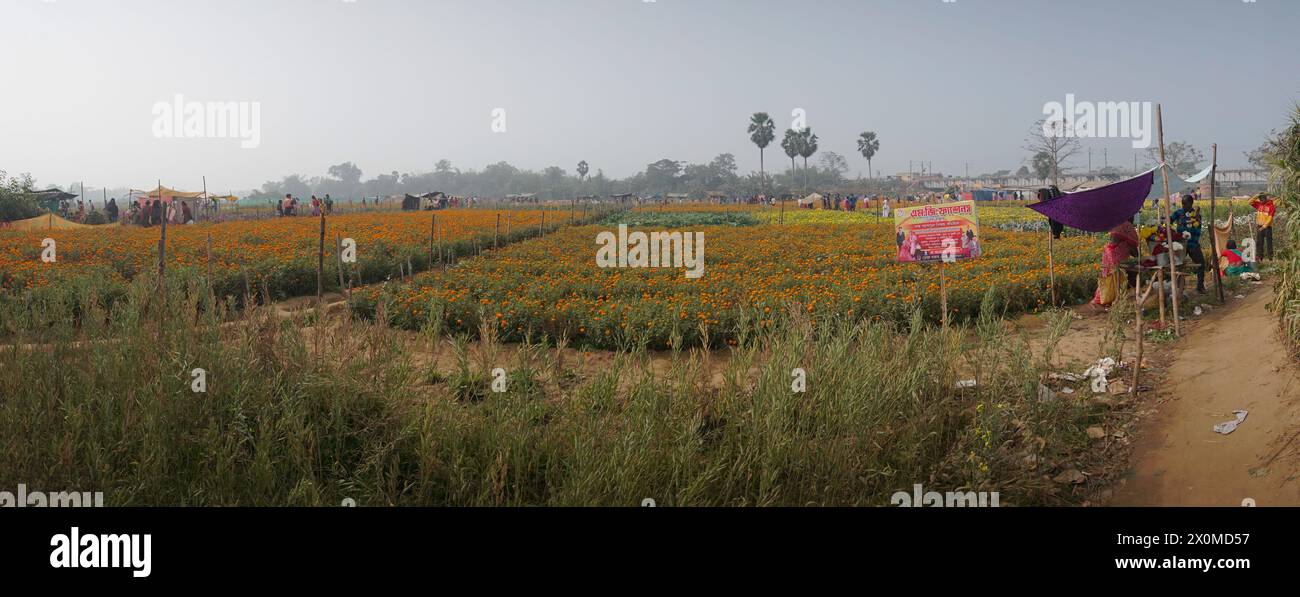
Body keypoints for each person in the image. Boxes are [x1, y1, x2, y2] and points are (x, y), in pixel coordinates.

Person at [1091, 221, 1140, 308]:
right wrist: (1139, 260)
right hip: (1115, 254)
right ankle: (1113, 298)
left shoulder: (1117, 224)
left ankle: (1106, 298)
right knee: (1115, 277)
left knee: (1109, 277)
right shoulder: (1127, 226)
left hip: (1109, 251)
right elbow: (1134, 249)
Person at [1171, 195, 1207, 293]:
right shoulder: (1178, 213)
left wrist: (1196, 217)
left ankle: (1200, 286)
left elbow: (1198, 226)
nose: (1183, 205)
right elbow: (1168, 221)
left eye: (1185, 203)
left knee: (1201, 264)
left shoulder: (1196, 215)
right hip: (1181, 245)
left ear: (1191, 203)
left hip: (1193, 244)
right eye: (1182, 203)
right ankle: (1179, 289)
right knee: (1179, 266)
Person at [1251, 193, 1276, 261]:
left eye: (1262, 199)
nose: (1261, 200)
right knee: (1259, 243)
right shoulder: (1259, 204)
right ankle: (1260, 258)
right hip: (1259, 226)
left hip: (1267, 228)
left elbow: (1270, 218)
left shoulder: (1271, 206)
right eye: (1260, 199)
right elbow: (1250, 202)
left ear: (1266, 199)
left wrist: (1263, 227)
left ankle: (1270, 258)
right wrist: (1256, 195)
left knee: (1269, 243)